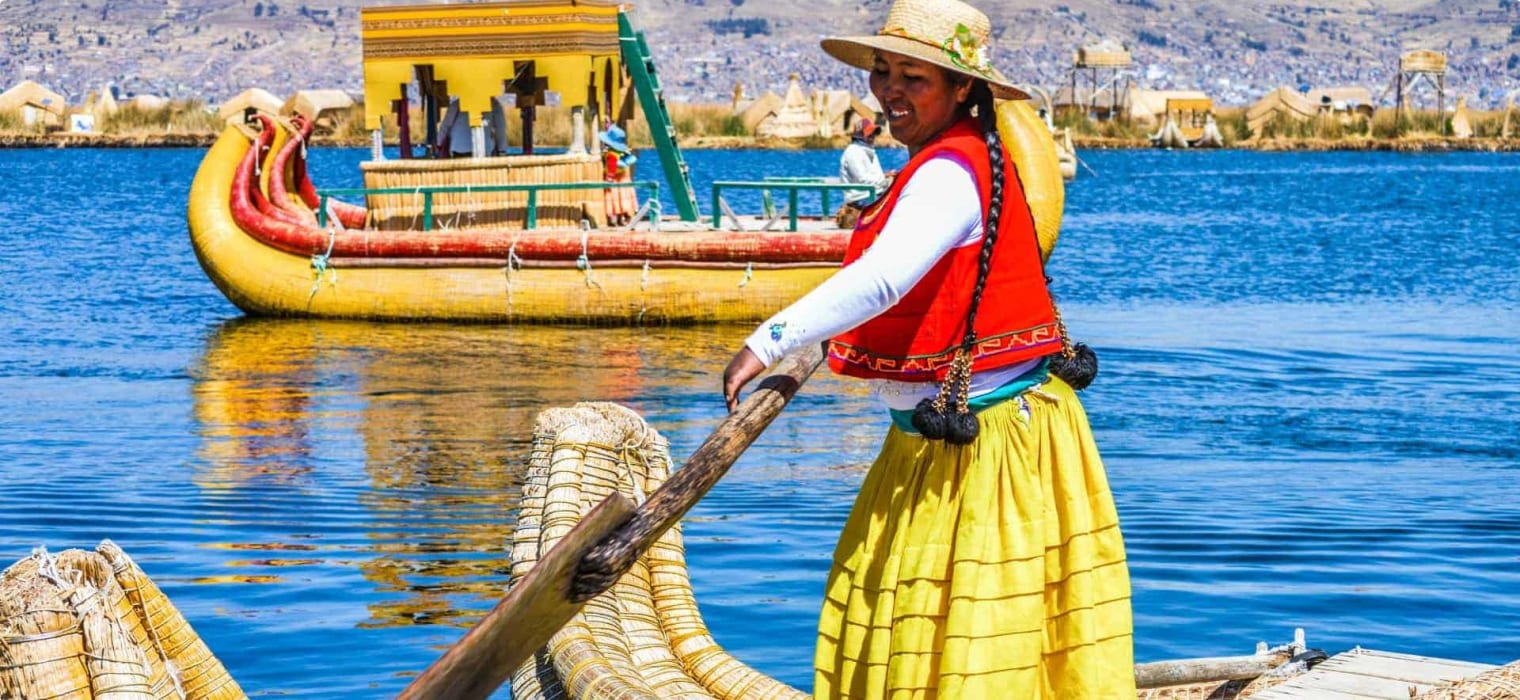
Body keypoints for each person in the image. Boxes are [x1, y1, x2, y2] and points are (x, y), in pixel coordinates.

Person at [720, 0, 1132, 697]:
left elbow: (882, 279)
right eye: (884, 71)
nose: (890, 90)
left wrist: (767, 343)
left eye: (915, 77)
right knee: (913, 625)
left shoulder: (948, 173)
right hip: (933, 445)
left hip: (990, 452)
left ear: (961, 89)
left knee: (971, 646)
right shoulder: (946, 160)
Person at [836, 118, 891, 229]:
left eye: (873, 134)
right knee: (893, 203)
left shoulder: (870, 151)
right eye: (869, 134)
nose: (872, 137)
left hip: (874, 193)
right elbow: (862, 179)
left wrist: (888, 177)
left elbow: (876, 176)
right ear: (859, 136)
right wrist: (885, 181)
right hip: (860, 197)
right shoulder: (853, 152)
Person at [600, 124, 640, 226]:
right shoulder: (622, 151)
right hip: (624, 179)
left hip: (615, 180)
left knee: (616, 200)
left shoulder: (612, 154)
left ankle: (616, 219)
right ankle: (623, 217)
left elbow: (612, 167)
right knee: (624, 199)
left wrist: (609, 179)